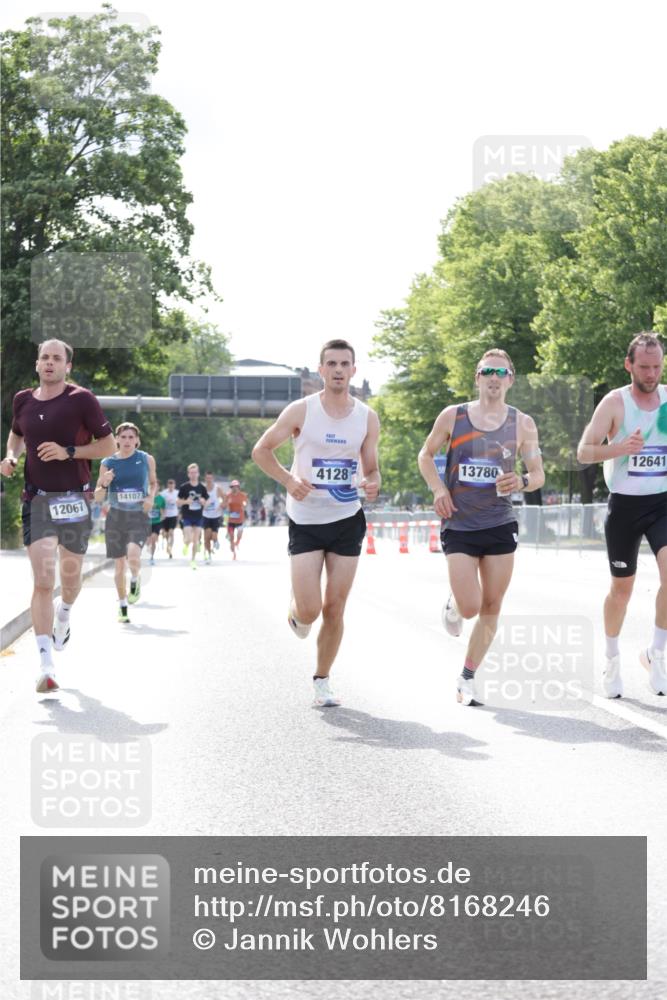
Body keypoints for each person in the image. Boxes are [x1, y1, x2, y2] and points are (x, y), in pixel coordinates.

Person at [252, 339, 380, 707]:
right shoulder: (301, 411)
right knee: (309, 612)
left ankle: (322, 679)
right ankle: (297, 606)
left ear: (354, 370)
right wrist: (289, 481)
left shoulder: (366, 417)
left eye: (345, 364)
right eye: (331, 364)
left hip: (346, 517)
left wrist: (373, 484)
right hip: (306, 519)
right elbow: (261, 450)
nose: (338, 370)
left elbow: (371, 467)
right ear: (321, 370)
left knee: (335, 607)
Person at [418, 348, 545, 707]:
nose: (493, 377)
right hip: (459, 521)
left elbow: (538, 475)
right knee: (471, 607)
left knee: (492, 604)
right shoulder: (453, 417)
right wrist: (439, 488)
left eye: (500, 372)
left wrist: (520, 481)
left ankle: (467, 676)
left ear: (510, 379)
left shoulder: (523, 424)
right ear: (477, 378)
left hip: (499, 523)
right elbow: (425, 455)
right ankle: (455, 603)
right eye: (487, 371)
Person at [1, 338, 114, 693]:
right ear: (37, 364)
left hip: (74, 500)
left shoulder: (81, 399)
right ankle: (46, 664)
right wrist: (11, 457)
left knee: (69, 578)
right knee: (43, 579)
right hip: (36, 499)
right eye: (44, 358)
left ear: (68, 366)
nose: (49, 363)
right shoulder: (22, 399)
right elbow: (17, 435)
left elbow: (108, 446)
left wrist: (70, 452)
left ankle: (65, 612)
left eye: (57, 359)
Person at [577, 332, 667, 698]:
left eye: (657, 366)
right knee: (621, 591)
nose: (651, 373)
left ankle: (656, 654)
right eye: (644, 366)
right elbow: (584, 452)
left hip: (662, 503)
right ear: (629, 365)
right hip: (625, 506)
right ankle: (612, 657)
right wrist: (619, 448)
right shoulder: (615, 403)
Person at [94, 423, 156, 623]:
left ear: (137, 440)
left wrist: (150, 497)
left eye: (131, 437)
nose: (127, 441)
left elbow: (153, 482)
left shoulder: (146, 459)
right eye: (124, 437)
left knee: (133, 555)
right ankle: (122, 606)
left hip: (138, 515)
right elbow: (98, 497)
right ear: (117, 440)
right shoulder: (108, 462)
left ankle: (136, 579)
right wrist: (105, 482)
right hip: (116, 517)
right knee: (119, 565)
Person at [177, 463, 208, 569]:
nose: (193, 474)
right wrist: (186, 501)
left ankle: (193, 560)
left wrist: (203, 501)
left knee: (195, 540)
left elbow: (207, 502)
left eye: (195, 472)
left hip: (198, 516)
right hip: (187, 516)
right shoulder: (184, 487)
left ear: (198, 474)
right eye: (191, 473)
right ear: (188, 474)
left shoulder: (202, 487)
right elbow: (178, 502)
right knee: (189, 538)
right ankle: (186, 544)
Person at [202, 471, 225, 562]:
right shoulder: (202, 489)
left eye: (210, 478)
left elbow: (225, 498)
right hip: (206, 515)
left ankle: (215, 541)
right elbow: (198, 499)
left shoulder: (217, 488)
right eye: (207, 478)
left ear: (213, 479)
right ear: (205, 479)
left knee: (214, 535)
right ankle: (209, 554)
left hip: (216, 516)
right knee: (207, 537)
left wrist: (221, 506)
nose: (209, 480)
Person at [225, 479, 249, 560]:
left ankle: (237, 543)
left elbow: (245, 503)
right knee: (231, 537)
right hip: (231, 520)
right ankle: (234, 554)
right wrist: (227, 508)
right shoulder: (228, 495)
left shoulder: (243, 495)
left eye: (236, 487)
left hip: (240, 520)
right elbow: (225, 505)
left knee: (239, 536)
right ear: (231, 488)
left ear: (238, 487)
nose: (234, 488)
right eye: (232, 487)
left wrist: (244, 505)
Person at [146, 479, 166, 565]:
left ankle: (151, 557)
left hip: (157, 522)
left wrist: (161, 517)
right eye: (152, 486)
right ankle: (148, 552)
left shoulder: (161, 499)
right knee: (148, 541)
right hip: (147, 523)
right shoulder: (146, 497)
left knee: (153, 539)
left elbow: (163, 512)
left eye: (156, 486)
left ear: (158, 487)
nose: (154, 488)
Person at [160, 478, 179, 558]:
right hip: (165, 516)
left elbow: (180, 501)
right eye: (170, 485)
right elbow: (160, 504)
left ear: (174, 485)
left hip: (173, 515)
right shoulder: (163, 493)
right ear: (168, 485)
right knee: (166, 534)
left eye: (172, 485)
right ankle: (168, 544)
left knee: (171, 532)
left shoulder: (177, 493)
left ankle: (170, 548)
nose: (171, 486)